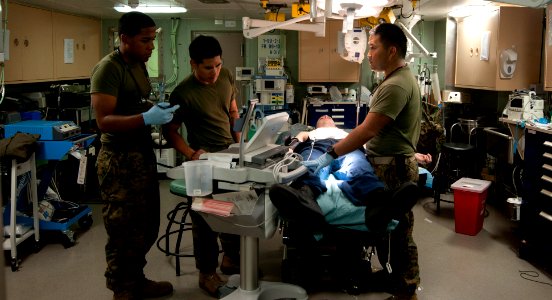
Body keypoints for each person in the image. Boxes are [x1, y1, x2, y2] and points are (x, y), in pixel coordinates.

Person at [299, 23, 423, 299]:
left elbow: (366, 130)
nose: (368, 54)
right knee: (387, 227)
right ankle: (396, 278)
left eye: (372, 47)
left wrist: (331, 154)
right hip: (383, 160)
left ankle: (407, 288)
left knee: (398, 229)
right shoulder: (394, 80)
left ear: (391, 51)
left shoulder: (396, 86)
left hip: (394, 166)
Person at [90, 12, 179, 300]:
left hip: (141, 154)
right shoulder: (108, 69)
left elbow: (136, 103)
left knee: (146, 225)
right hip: (118, 160)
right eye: (145, 40)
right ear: (124, 38)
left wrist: (156, 108)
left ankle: (136, 279)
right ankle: (122, 289)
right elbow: (104, 120)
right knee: (122, 228)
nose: (151, 46)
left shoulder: (139, 66)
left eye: (153, 40)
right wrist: (145, 117)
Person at [164, 35, 241, 298]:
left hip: (229, 157)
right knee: (205, 218)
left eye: (218, 65)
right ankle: (206, 273)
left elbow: (233, 111)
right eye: (208, 67)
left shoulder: (226, 76)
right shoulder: (183, 93)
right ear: (193, 64)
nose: (214, 72)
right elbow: (170, 130)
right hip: (202, 164)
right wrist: (190, 153)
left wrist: (239, 143)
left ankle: (230, 259)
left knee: (231, 210)